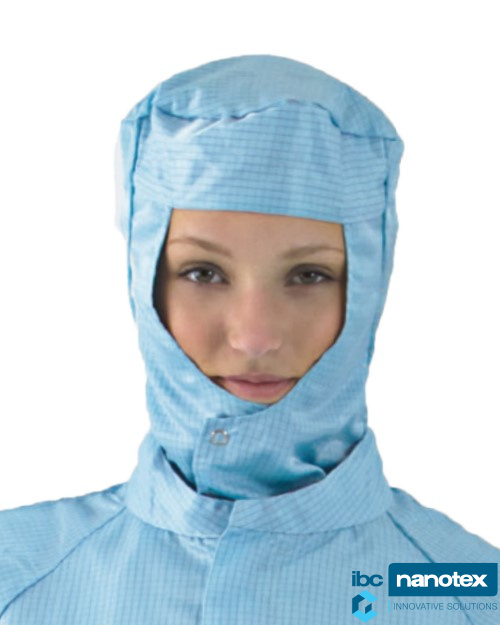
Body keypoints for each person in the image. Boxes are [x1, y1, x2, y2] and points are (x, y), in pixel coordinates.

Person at [0, 54, 498, 624]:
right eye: (203, 273)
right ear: (144, 281)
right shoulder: (15, 575)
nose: (255, 336)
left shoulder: (468, 595)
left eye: (309, 275)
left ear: (368, 288)